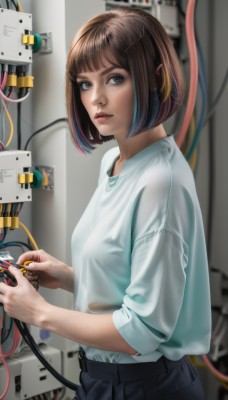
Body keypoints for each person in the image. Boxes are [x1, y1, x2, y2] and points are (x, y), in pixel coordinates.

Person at [0, 7, 211, 400]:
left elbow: (142, 331)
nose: (95, 99)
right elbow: (138, 284)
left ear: (156, 77)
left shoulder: (160, 184)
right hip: (102, 382)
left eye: (115, 78)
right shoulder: (115, 162)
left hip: (147, 388)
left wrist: (39, 314)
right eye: (84, 84)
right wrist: (67, 276)